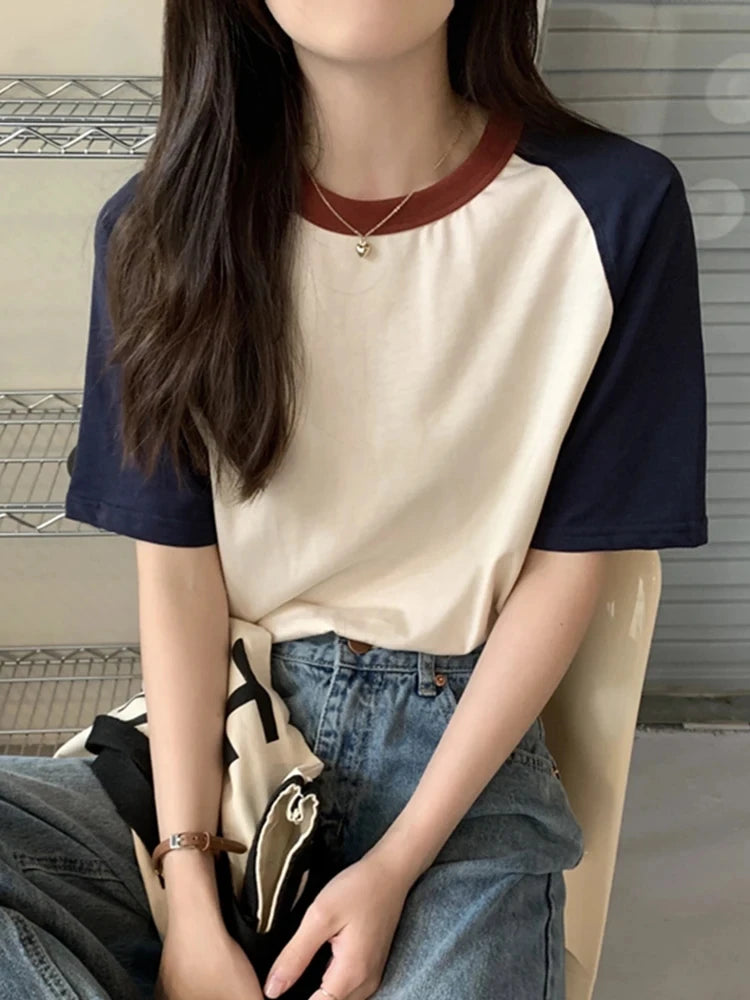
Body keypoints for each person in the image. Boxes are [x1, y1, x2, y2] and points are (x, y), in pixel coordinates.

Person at [0, 1, 709, 999]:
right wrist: (190, 893)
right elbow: (179, 580)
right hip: (236, 736)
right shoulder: (161, 229)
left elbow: (570, 566)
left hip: (459, 760)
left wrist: (397, 862)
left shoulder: (614, 210)